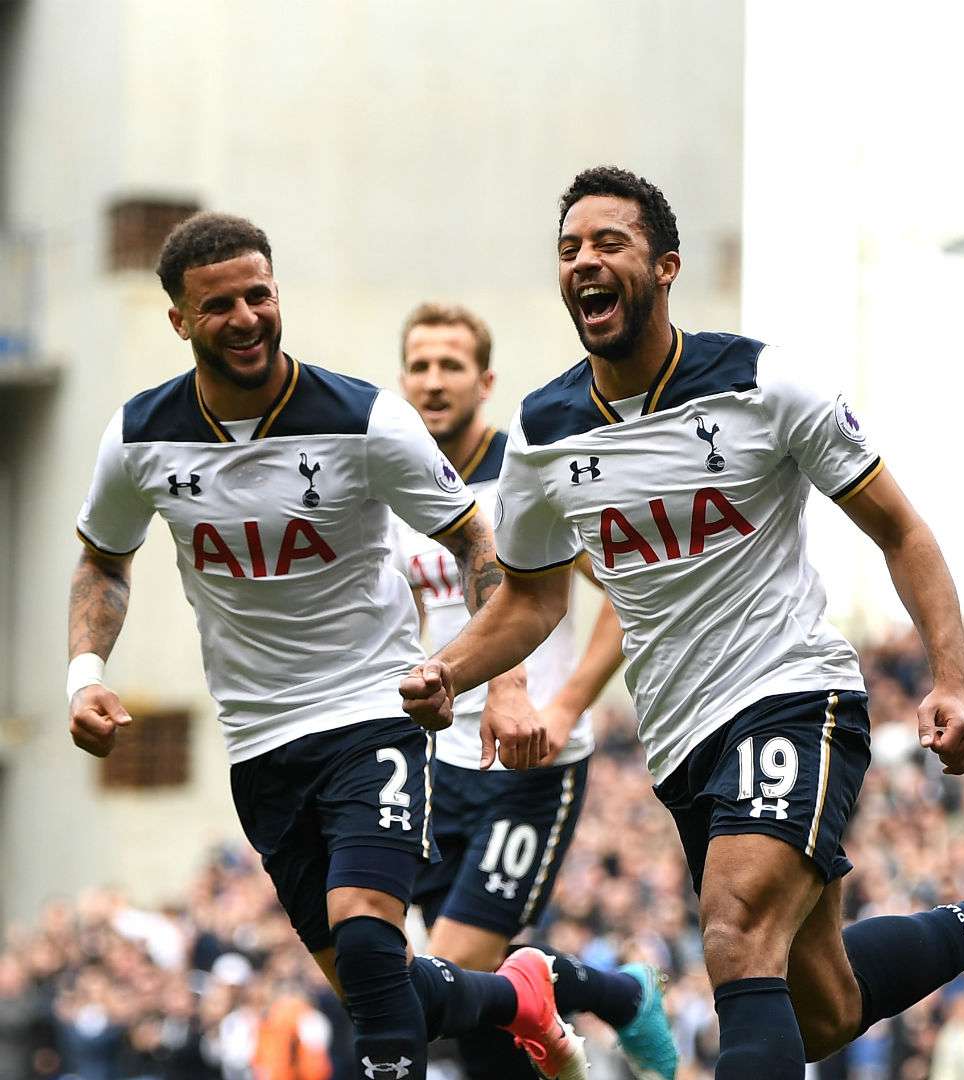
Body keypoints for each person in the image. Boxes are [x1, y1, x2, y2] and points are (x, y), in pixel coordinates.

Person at [399, 166, 964, 1080]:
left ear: (667, 266)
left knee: (733, 930)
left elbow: (900, 529)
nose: (585, 262)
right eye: (569, 250)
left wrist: (952, 676)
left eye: (610, 243)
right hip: (681, 739)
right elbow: (529, 600)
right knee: (823, 1008)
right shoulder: (545, 430)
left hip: (792, 693)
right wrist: (452, 668)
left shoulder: (763, 383)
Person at [69, 212, 591, 1080]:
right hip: (259, 740)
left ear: (278, 295)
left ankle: (533, 999)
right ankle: (524, 997)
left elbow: (478, 540)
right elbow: (103, 561)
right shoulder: (139, 436)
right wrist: (88, 673)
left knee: (365, 929)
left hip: (372, 714)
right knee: (373, 985)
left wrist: (501, 680)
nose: (246, 319)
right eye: (219, 306)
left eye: (259, 296)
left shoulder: (365, 418)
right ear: (179, 321)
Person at [389, 300, 677, 1078]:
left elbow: (623, 593)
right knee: (480, 1013)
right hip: (437, 768)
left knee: (447, 968)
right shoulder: (397, 486)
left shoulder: (526, 476)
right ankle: (606, 997)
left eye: (451, 365)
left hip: (529, 765)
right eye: (420, 365)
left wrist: (566, 705)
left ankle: (615, 992)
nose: (434, 380)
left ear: (484, 380)